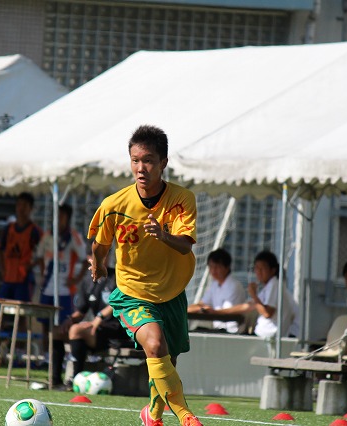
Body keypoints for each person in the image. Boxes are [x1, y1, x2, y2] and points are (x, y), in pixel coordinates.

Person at [88, 125, 202, 426]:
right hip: (132, 292)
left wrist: (163, 235)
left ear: (163, 162)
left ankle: (152, 416)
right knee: (154, 344)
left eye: (148, 160)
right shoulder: (114, 205)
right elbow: (99, 245)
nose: (141, 168)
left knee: (167, 360)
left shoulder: (182, 199)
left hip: (172, 292)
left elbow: (185, 245)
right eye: (135, 160)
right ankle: (186, 416)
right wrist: (98, 265)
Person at [36, 203, 89, 386]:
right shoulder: (48, 236)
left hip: (65, 290)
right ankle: (47, 358)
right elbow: (39, 256)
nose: (59, 219)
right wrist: (43, 274)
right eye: (57, 215)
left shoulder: (74, 237)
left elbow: (85, 260)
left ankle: (65, 359)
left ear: (68, 217)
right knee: (45, 325)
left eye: (62, 216)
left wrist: (76, 279)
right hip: (48, 288)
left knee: (62, 326)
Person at [54, 267, 128, 388]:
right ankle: (55, 381)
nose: (93, 261)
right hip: (96, 328)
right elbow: (81, 311)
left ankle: (76, 381)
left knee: (76, 330)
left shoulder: (117, 276)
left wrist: (99, 316)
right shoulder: (88, 281)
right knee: (57, 331)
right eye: (91, 258)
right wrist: (70, 319)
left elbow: (119, 301)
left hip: (115, 328)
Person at [211, 250, 298, 341]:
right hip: (264, 335)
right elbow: (248, 306)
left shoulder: (274, 285)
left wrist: (253, 294)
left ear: (273, 270)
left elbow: (267, 313)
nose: (258, 272)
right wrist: (217, 312)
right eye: (256, 268)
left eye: (262, 269)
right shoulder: (269, 287)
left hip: (268, 336)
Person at [187, 248, 246, 333]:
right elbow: (202, 304)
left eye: (217, 267)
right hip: (218, 328)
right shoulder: (214, 285)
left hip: (231, 330)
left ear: (227, 267)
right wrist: (188, 309)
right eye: (211, 267)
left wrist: (207, 310)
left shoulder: (234, 286)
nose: (213, 270)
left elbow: (227, 312)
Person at [0, 192, 42, 302]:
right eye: (19, 205)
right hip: (8, 277)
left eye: (25, 205)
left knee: (21, 309)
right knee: (0, 307)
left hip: (23, 279)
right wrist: (3, 269)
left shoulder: (35, 231)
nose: (21, 208)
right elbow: (0, 248)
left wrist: (30, 265)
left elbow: (44, 253)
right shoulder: (8, 229)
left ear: (31, 208)